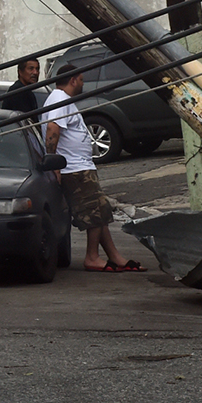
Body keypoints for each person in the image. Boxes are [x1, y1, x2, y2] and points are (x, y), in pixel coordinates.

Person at [41, 64, 146, 273]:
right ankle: (92, 257)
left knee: (99, 212)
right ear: (73, 80)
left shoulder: (62, 99)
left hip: (80, 167)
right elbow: (53, 129)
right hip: (75, 170)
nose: (82, 84)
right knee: (96, 211)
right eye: (81, 79)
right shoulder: (59, 99)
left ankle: (115, 257)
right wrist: (54, 163)